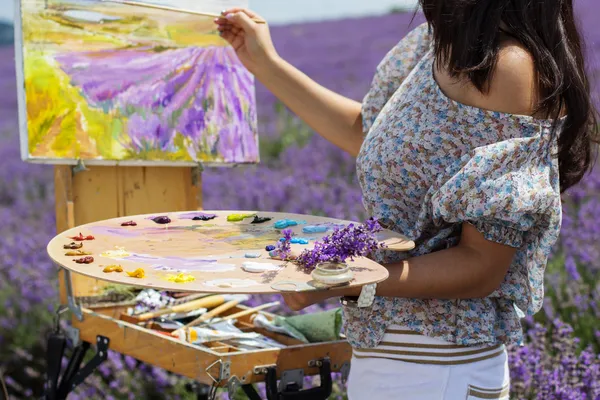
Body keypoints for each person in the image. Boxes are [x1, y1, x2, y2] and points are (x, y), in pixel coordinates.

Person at [215, 2, 598, 399]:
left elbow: (482, 265)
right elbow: (370, 134)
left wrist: (342, 279)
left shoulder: (507, 67)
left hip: (442, 363)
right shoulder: (434, 45)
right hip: (386, 360)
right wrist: (265, 63)